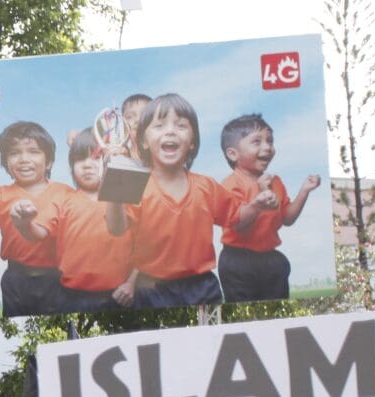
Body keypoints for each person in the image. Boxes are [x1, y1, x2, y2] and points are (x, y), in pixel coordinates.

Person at [106, 93, 274, 308]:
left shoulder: (207, 186)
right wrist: (116, 185)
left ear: (193, 143)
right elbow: (116, 228)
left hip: (202, 289)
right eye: (159, 125)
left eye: (181, 125)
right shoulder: (134, 182)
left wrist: (256, 205)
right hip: (151, 291)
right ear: (144, 142)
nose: (170, 131)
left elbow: (237, 217)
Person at [0, 121, 73, 317]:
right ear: (5, 163)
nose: (23, 159)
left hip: (59, 279)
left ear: (49, 161)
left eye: (33, 151)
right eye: (14, 153)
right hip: (16, 281)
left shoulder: (65, 193)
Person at [217, 114, 323, 303]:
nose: (267, 147)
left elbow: (287, 218)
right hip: (238, 260)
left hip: (270, 258)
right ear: (233, 153)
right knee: (242, 307)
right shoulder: (230, 184)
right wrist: (258, 202)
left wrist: (304, 191)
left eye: (270, 141)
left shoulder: (275, 182)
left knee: (276, 303)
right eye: (256, 142)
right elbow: (237, 224)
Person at [44, 128, 138, 312]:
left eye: (96, 157)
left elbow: (147, 246)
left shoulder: (128, 196)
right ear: (71, 165)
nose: (87, 165)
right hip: (69, 297)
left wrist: (131, 284)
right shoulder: (63, 198)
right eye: (79, 159)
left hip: (119, 296)